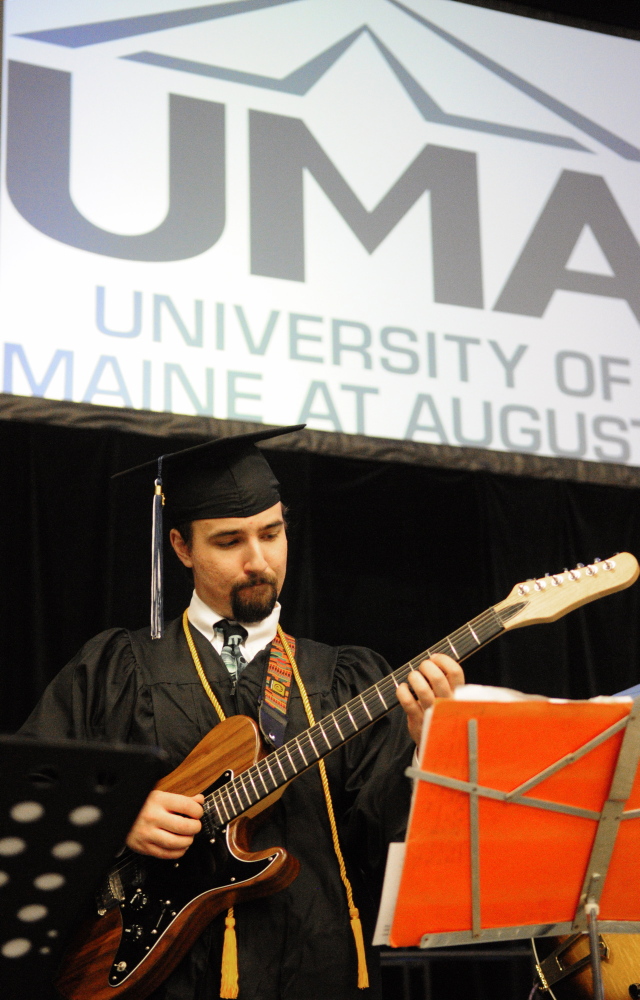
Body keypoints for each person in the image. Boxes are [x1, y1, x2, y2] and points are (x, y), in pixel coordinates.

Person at [19, 425, 464, 1000]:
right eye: (230, 541)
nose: (259, 561)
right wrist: (115, 818)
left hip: (313, 969)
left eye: (272, 533)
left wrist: (431, 745)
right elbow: (31, 795)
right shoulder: (117, 669)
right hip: (159, 977)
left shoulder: (341, 679)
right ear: (181, 547)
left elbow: (395, 836)